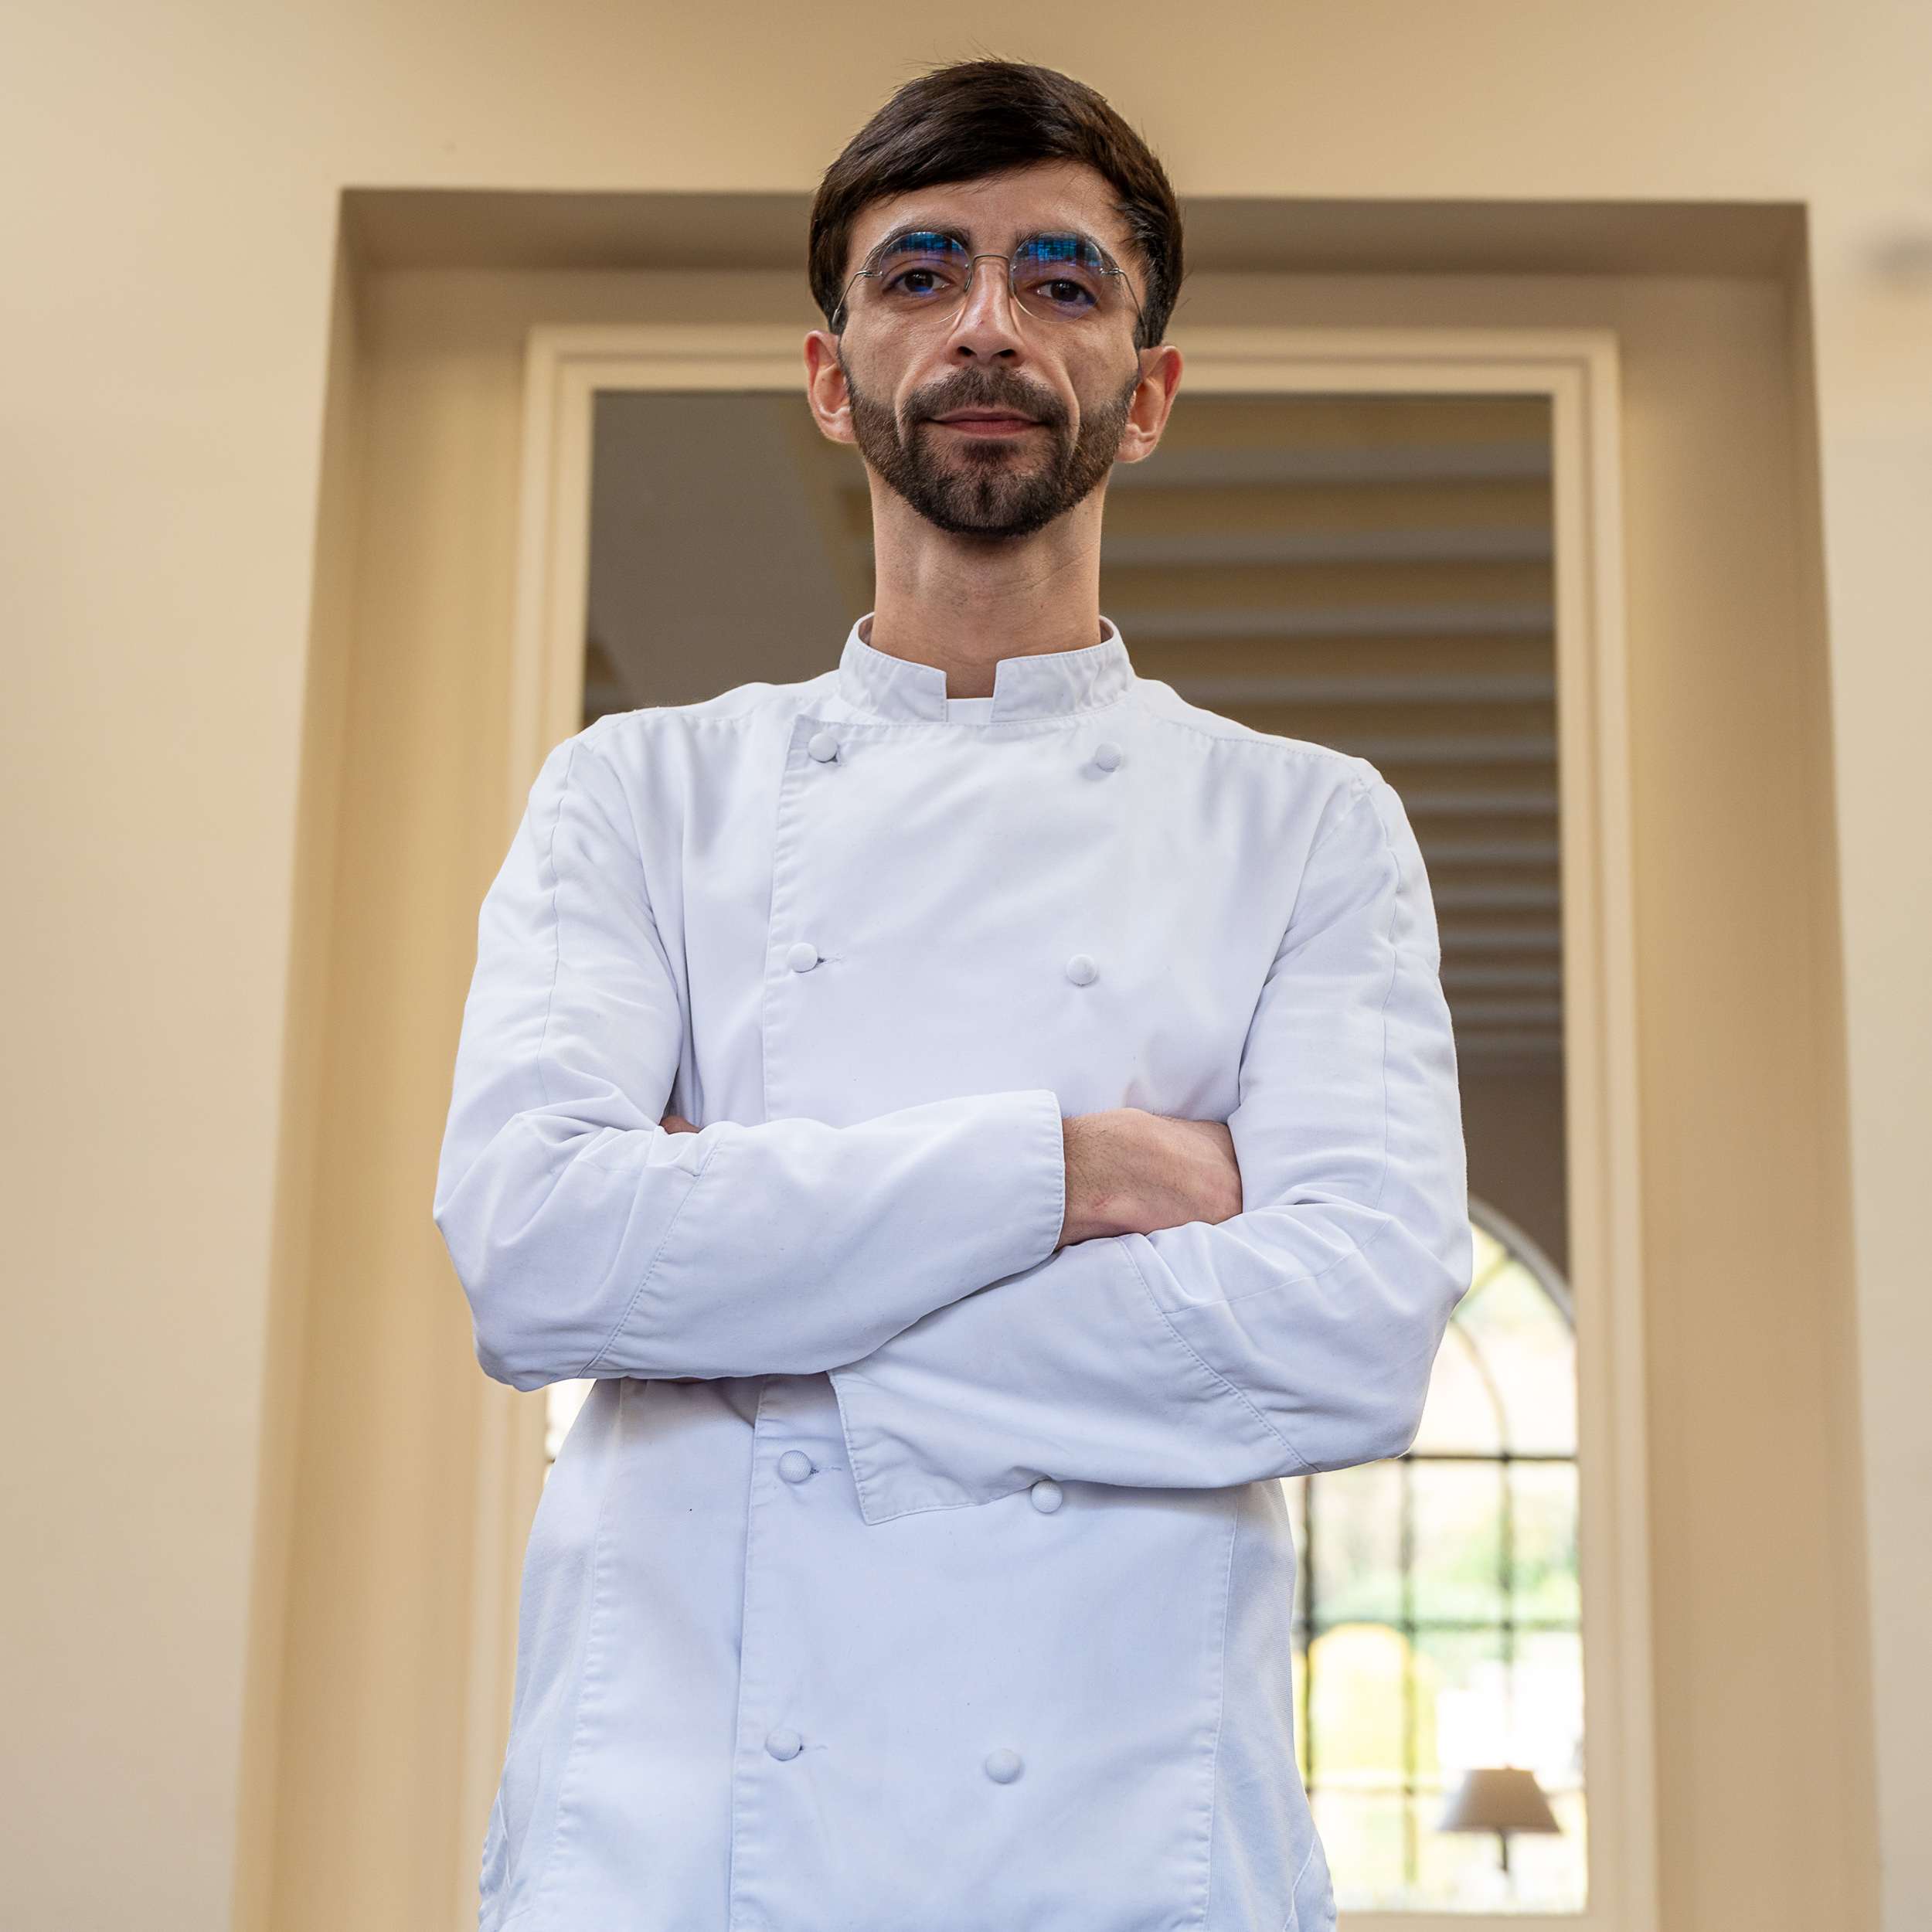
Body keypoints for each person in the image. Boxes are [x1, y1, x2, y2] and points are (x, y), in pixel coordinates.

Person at [435, 57, 1468, 1932]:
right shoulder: (638, 793)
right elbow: (533, 1250)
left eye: (1059, 280)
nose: (988, 324)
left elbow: (1349, 1326)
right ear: (831, 374)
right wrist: (1075, 1171)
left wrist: (735, 1306)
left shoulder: (1306, 825)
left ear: (1144, 392)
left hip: (1113, 1844)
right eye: (919, 273)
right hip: (676, 1849)